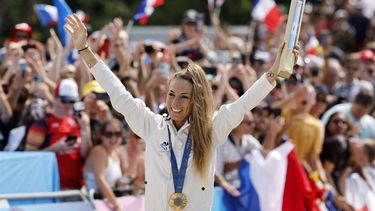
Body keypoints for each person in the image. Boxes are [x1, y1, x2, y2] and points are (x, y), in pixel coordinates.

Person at [65, 14, 298, 211]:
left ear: (196, 100)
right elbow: (117, 92)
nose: (175, 102)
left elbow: (244, 104)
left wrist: (273, 73)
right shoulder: (152, 125)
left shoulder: (211, 129)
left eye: (184, 96)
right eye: (171, 94)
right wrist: (85, 50)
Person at [25, 78, 92, 189]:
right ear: (55, 99)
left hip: (77, 188)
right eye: (64, 100)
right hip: (50, 187)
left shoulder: (78, 121)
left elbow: (85, 155)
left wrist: (86, 129)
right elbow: (28, 158)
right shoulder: (42, 124)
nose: (67, 105)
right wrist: (55, 148)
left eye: (72, 101)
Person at [84, 118, 126, 211]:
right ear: (101, 136)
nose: (113, 138)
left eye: (117, 134)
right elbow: (100, 179)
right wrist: (116, 205)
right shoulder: (99, 151)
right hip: (94, 203)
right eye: (109, 134)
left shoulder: (116, 152)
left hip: (106, 202)